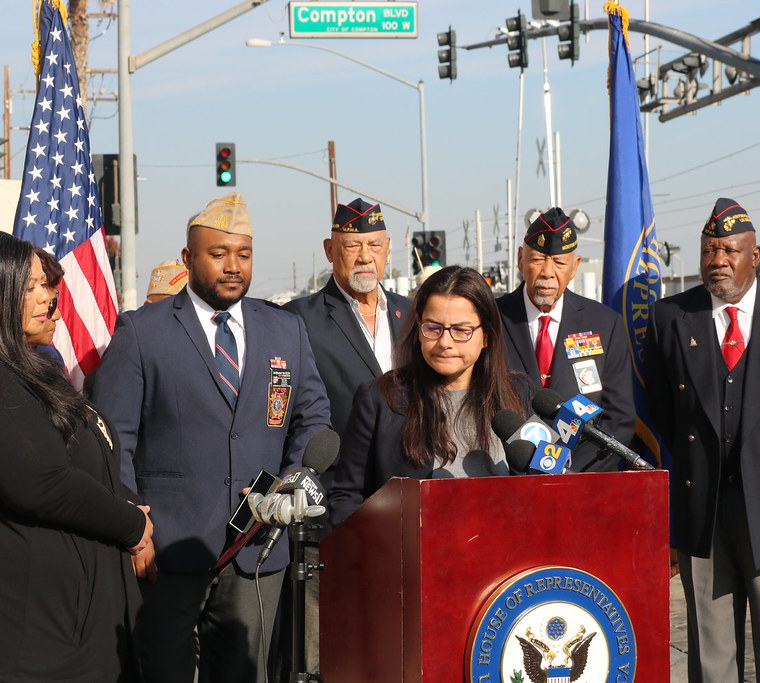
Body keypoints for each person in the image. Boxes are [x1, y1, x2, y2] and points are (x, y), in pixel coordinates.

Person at [90, 192, 332, 683]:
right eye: (218, 254)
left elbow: (313, 417)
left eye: (242, 255)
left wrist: (288, 484)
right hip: (167, 549)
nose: (232, 267)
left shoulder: (286, 330)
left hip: (257, 548)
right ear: (188, 258)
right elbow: (114, 441)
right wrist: (132, 527)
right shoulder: (143, 332)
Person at [645, 198, 760, 682]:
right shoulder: (669, 319)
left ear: (754, 255)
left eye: (730, 251)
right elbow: (663, 411)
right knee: (710, 660)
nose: (718, 261)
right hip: (706, 511)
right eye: (709, 251)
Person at [0, 232, 154, 681]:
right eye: (31, 286)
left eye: (48, 285)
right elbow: (42, 482)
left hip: (84, 622)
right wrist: (133, 526)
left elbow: (94, 460)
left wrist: (128, 502)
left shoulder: (36, 374)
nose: (50, 297)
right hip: (42, 633)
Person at [282, 197, 412, 673]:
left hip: (411, 511)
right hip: (337, 510)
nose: (364, 257)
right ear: (329, 249)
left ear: (389, 249)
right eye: (352, 246)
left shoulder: (416, 316)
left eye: (374, 246)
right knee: (331, 650)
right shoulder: (299, 320)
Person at [329, 265, 535, 525]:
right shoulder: (381, 398)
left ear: (486, 336)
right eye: (433, 328)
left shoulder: (519, 391)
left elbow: (540, 484)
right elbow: (346, 498)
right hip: (412, 557)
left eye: (461, 330)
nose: (445, 342)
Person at [496, 207, 634, 472]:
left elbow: (619, 418)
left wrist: (565, 471)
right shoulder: (491, 320)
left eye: (559, 263)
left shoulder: (605, 324)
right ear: (520, 259)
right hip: (506, 476)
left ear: (575, 267)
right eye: (538, 260)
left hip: (580, 479)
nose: (548, 272)